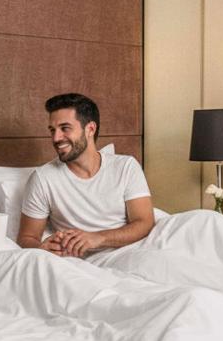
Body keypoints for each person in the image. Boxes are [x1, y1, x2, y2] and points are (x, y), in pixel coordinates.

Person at [17, 93, 155, 258]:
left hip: (126, 255)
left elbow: (145, 223)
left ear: (90, 129)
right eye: (52, 130)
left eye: (65, 128)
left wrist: (98, 238)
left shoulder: (126, 167)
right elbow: (26, 238)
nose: (56, 138)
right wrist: (43, 248)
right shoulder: (43, 178)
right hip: (74, 264)